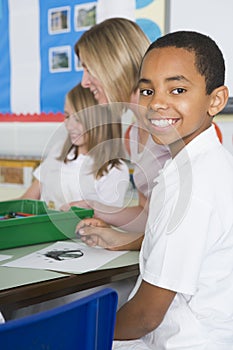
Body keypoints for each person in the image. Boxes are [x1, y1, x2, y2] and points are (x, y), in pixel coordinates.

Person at [76, 31, 233, 349]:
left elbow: (147, 316)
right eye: (147, 90)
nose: (157, 102)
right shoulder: (196, 166)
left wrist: (85, 335)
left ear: (215, 100)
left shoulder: (193, 186)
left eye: (177, 89)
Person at [62, 17, 171, 233]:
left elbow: (179, 224)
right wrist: (95, 208)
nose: (84, 82)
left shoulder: (169, 124)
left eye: (89, 69)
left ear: (113, 65)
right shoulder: (132, 136)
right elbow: (148, 217)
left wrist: (119, 241)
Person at [20, 83, 129, 210]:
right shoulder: (59, 151)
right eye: (67, 116)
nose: (69, 126)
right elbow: (27, 200)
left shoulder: (115, 170)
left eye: (78, 119)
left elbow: (103, 223)